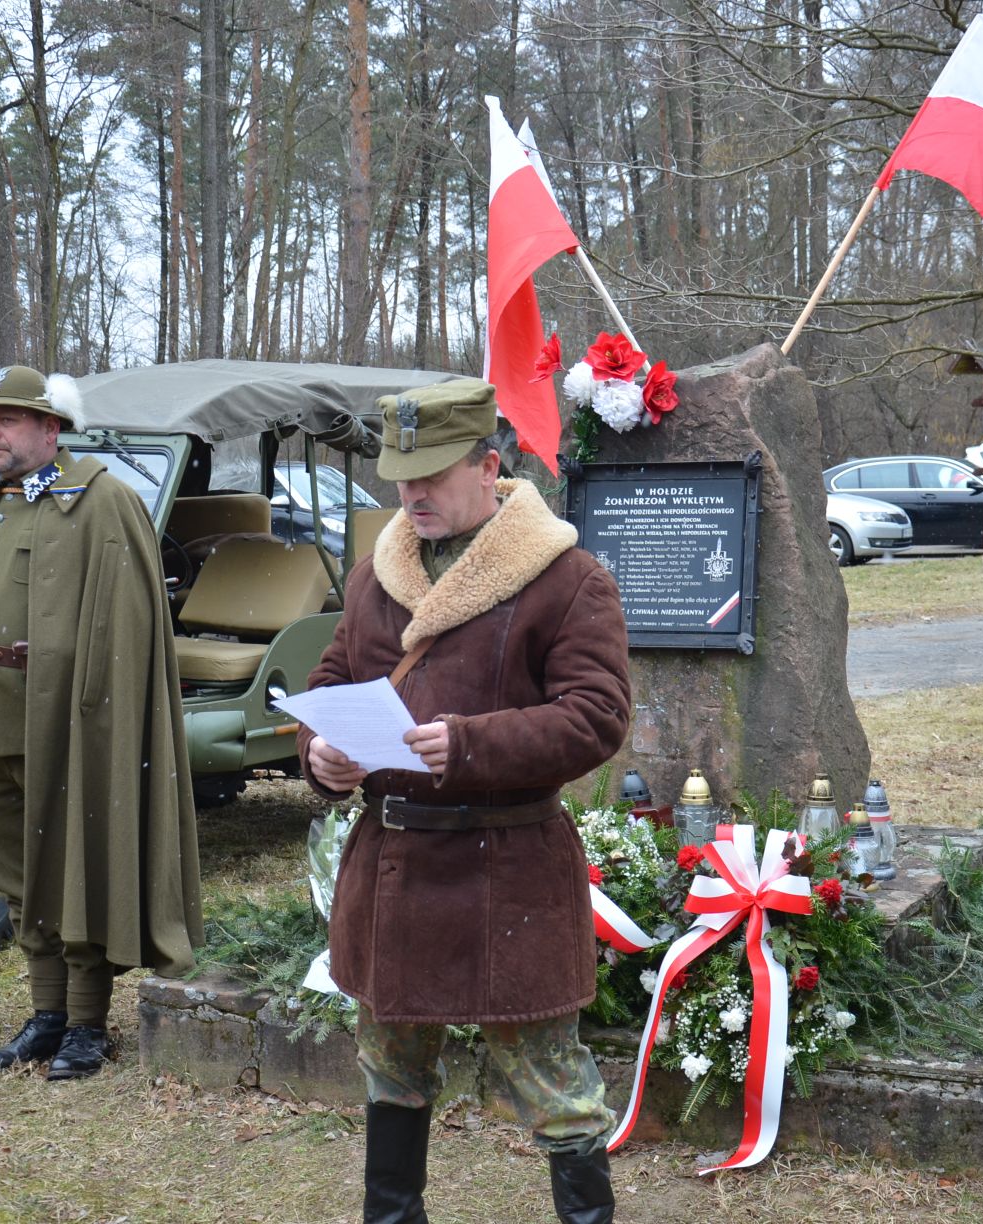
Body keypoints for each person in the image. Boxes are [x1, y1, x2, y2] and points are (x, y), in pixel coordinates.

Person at [299, 379, 631, 1224]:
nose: (412, 496)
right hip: (396, 873)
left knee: (557, 1090)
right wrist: (322, 754)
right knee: (391, 1070)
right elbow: (331, 682)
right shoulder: (379, 574)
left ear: (490, 467)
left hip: (509, 875)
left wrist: (473, 743)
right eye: (402, 477)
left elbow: (596, 718)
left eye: (433, 476)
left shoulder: (568, 578)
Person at [0, 365, 201, 1080]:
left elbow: (128, 628)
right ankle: (46, 1014)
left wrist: (96, 711)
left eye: (7, 419)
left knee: (76, 867)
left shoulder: (102, 501)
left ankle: (87, 1024)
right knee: (19, 874)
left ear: (51, 427)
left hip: (74, 725)